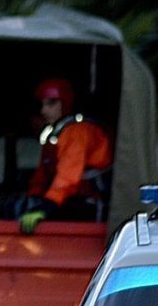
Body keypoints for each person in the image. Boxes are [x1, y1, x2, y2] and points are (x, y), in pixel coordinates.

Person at [17, 78, 113, 233]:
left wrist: (45, 206)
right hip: (64, 201)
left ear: (65, 103)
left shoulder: (78, 132)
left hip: (86, 207)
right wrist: (33, 196)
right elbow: (42, 174)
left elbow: (68, 178)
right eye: (42, 105)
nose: (44, 111)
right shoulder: (55, 134)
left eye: (51, 104)